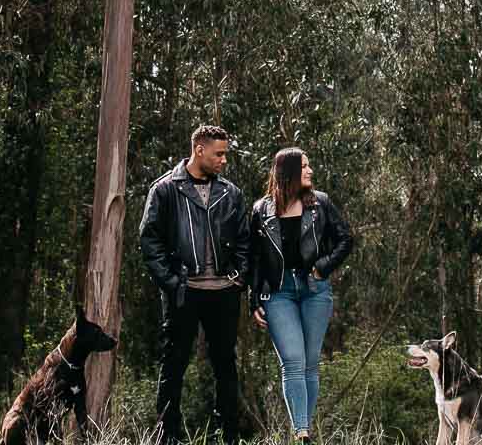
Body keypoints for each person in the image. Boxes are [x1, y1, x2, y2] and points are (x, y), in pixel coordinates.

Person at [138, 124, 252, 445]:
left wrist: (238, 278)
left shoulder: (231, 193)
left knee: (225, 366)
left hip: (223, 294)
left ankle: (227, 436)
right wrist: (172, 282)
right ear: (199, 150)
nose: (224, 160)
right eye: (219, 154)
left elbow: (244, 241)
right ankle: (167, 436)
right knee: (173, 365)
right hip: (184, 293)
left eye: (225, 154)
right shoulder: (165, 190)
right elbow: (149, 242)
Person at [247, 148, 355, 443]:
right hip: (278, 292)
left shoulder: (320, 204)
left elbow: (346, 238)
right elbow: (254, 258)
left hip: (314, 291)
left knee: (309, 362)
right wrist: (253, 298)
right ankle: (302, 432)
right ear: (289, 172)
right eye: (304, 166)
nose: (310, 171)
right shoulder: (261, 210)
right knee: (292, 360)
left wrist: (322, 267)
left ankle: (304, 429)